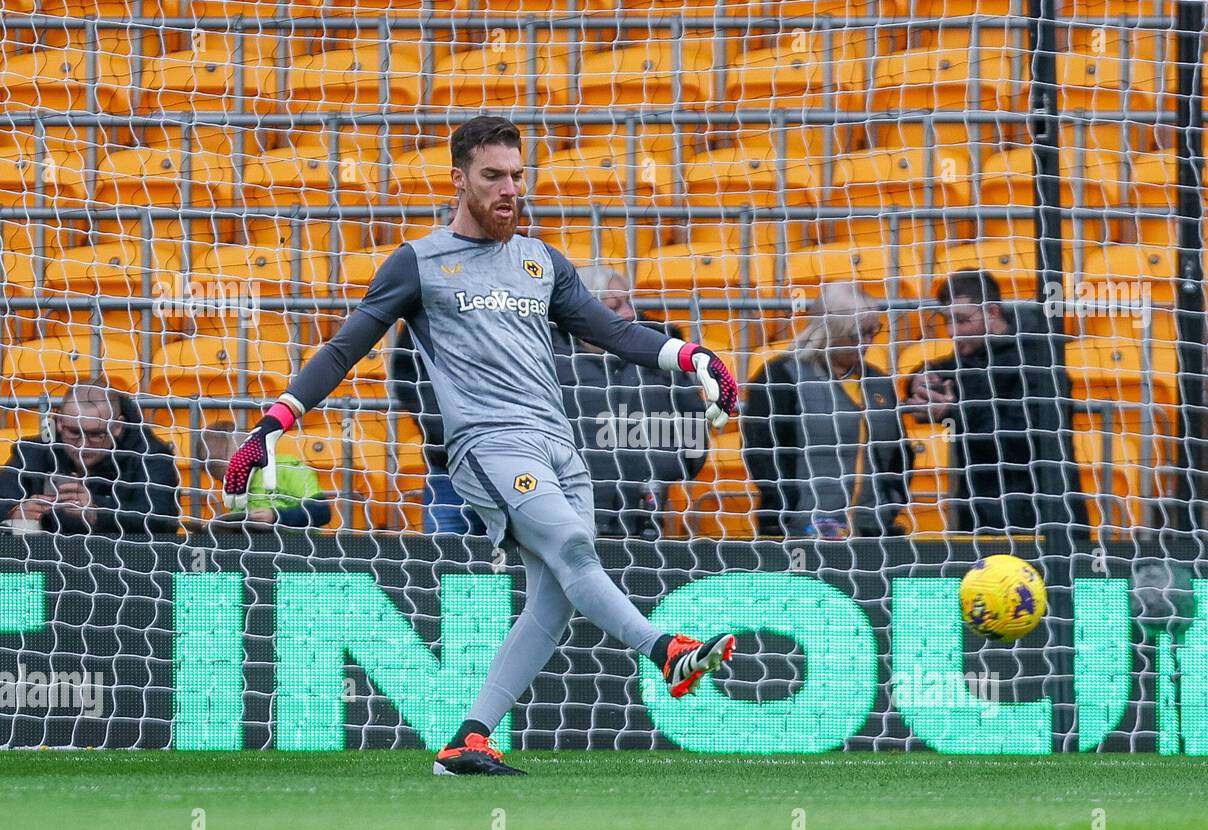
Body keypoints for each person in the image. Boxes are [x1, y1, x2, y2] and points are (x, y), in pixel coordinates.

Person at [221, 115, 741, 775]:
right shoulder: (419, 263)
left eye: (517, 176)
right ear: (459, 179)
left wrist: (688, 354)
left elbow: (612, 332)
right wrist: (273, 424)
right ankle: (668, 651)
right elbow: (345, 347)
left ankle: (466, 740)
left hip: (559, 447)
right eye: (494, 176)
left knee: (555, 597)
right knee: (575, 549)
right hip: (489, 449)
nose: (509, 189)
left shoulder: (541, 261)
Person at [552, 264, 709, 538]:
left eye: (628, 302)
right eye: (613, 307)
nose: (628, 313)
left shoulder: (661, 350)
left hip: (644, 514)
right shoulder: (548, 358)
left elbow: (692, 420)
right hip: (564, 514)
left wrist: (668, 465)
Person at [743, 281, 908, 538]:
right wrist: (791, 507)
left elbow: (900, 454)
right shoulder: (780, 376)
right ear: (831, 330)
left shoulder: (880, 384)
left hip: (873, 531)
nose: (866, 342)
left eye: (872, 332)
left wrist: (892, 501)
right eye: (857, 334)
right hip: (800, 532)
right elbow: (761, 451)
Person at [903, 270, 1037, 533]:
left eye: (962, 320)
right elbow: (941, 369)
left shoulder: (1036, 357)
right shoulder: (973, 353)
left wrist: (953, 412)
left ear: (993, 312)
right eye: (947, 321)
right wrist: (919, 380)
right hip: (977, 508)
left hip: (1034, 514)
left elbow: (1020, 440)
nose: (952, 332)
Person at [0, 379, 180, 536]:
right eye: (74, 432)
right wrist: (14, 512)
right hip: (45, 561)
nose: (82, 444)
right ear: (60, 422)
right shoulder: (32, 451)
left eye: (96, 434)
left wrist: (97, 511)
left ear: (117, 426)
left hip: (123, 561)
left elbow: (162, 520)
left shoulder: (151, 455)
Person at [389, 323, 485, 534]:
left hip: (513, 466)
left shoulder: (524, 303)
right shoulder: (429, 304)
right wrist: (438, 423)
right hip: (447, 467)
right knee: (442, 557)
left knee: (515, 561)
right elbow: (404, 371)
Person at [194, 420, 331, 529]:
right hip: (259, 555)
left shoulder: (286, 466)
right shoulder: (233, 488)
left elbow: (322, 512)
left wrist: (276, 517)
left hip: (301, 550)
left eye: (225, 455)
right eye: (215, 466)